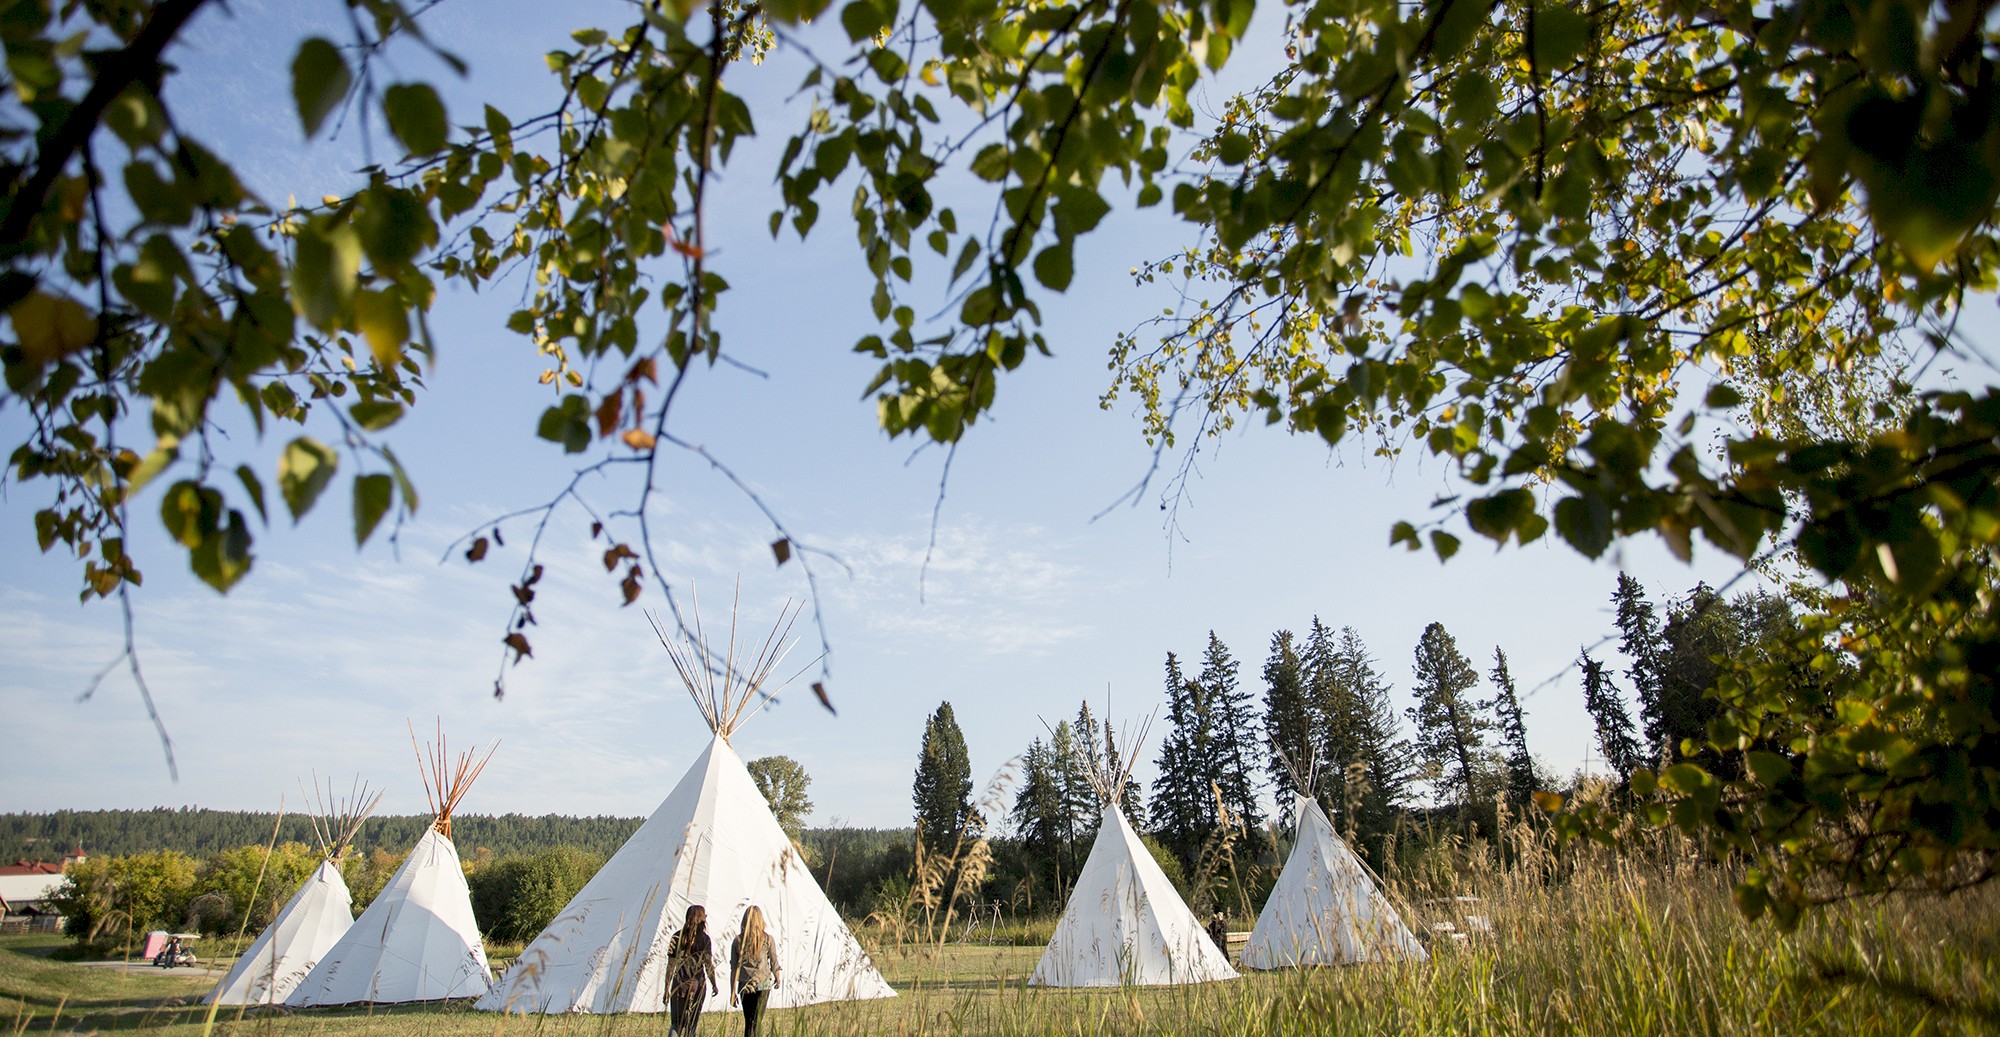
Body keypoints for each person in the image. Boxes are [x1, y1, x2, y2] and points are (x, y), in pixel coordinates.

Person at [664, 905, 718, 1037]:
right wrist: (714, 984)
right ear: (701, 919)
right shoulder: (705, 939)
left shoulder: (677, 937)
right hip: (697, 983)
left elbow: (670, 965)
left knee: (676, 1023)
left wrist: (666, 988)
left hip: (679, 984)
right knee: (691, 1025)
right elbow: (708, 965)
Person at [729, 905, 780, 1037]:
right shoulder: (768, 939)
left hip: (745, 985)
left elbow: (734, 968)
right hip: (763, 984)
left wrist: (732, 991)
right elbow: (774, 961)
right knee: (757, 1021)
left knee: (749, 1021)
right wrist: (777, 977)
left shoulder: (738, 941)